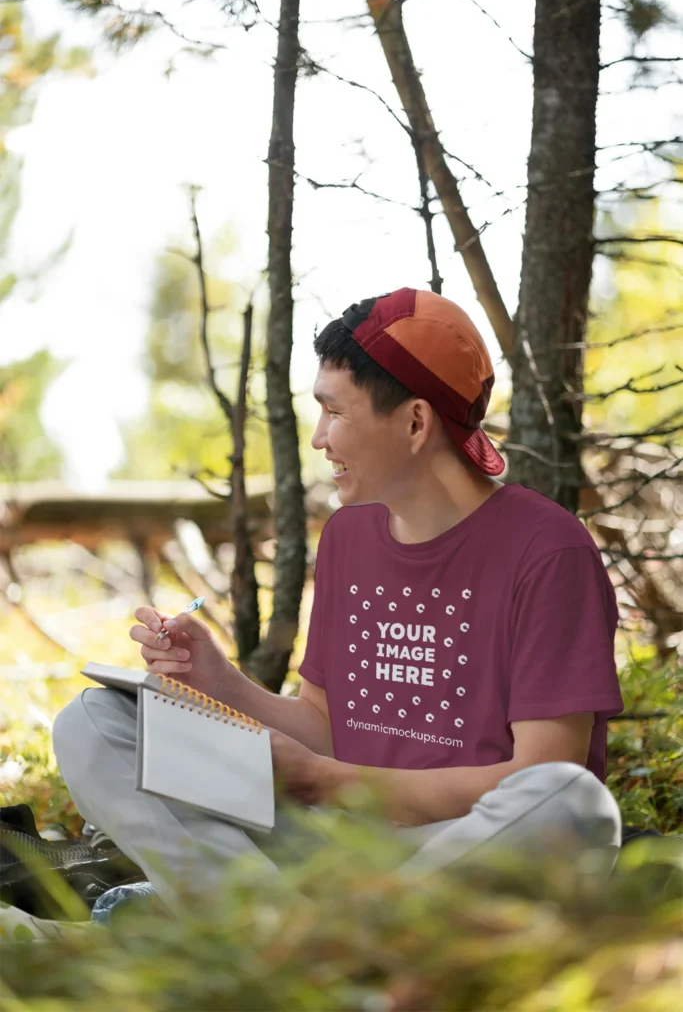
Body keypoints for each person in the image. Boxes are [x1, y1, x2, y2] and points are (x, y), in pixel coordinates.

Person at [53, 287, 624, 898]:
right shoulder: (350, 536)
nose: (320, 437)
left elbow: (543, 773)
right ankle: (274, 925)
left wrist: (328, 782)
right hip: (329, 841)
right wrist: (220, 682)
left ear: (414, 422)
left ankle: (277, 931)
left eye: (335, 412)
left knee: (570, 801)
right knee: (93, 723)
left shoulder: (547, 551)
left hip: (461, 849)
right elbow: (326, 726)